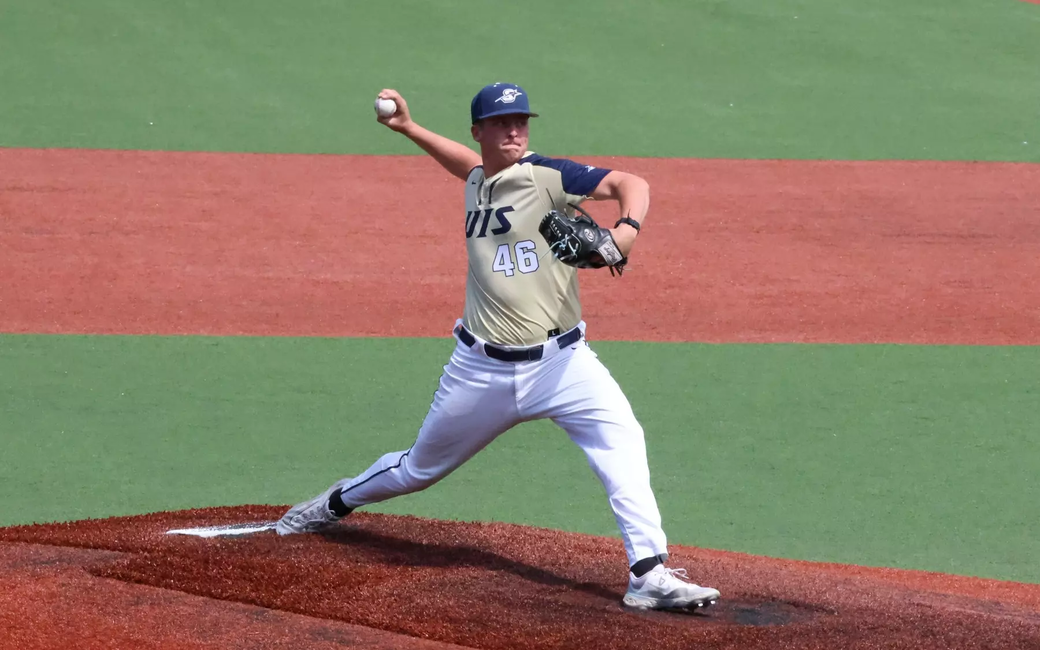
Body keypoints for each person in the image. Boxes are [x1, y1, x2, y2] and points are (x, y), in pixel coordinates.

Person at [277, 82, 720, 611]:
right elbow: (467, 165)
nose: (515, 130)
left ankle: (648, 572)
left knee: (623, 442)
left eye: (522, 121)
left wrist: (623, 233)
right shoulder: (478, 179)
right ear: (479, 131)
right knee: (417, 469)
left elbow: (633, 182)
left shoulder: (547, 175)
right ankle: (334, 502)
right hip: (479, 372)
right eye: (502, 122)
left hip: (564, 364)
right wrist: (410, 129)